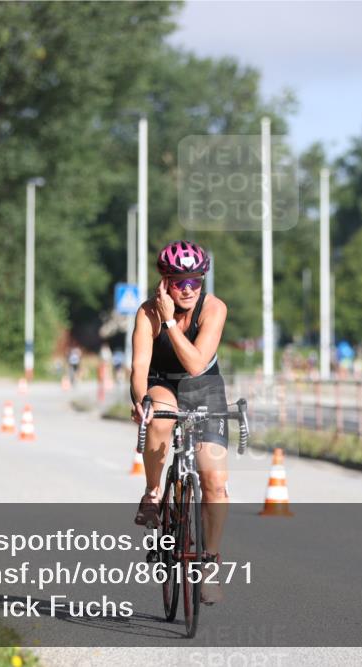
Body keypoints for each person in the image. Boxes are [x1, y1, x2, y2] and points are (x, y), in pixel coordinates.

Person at [130, 240, 229, 604]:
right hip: (162, 382)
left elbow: (195, 364)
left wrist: (171, 321)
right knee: (158, 415)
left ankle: (209, 565)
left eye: (195, 281)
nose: (187, 289)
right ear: (164, 283)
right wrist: (141, 399)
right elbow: (139, 367)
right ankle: (154, 492)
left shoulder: (213, 309)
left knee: (215, 481)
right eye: (178, 281)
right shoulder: (146, 313)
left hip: (203, 385)